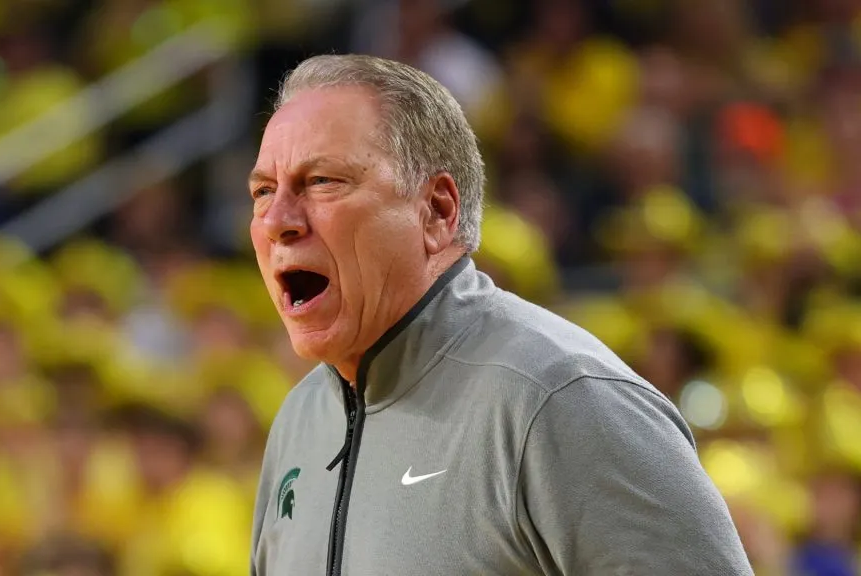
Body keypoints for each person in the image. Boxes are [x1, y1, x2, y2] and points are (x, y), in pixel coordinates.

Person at [247, 54, 752, 576]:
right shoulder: (299, 419)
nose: (277, 220)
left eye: (322, 181)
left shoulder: (561, 399)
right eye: (263, 191)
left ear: (437, 212)